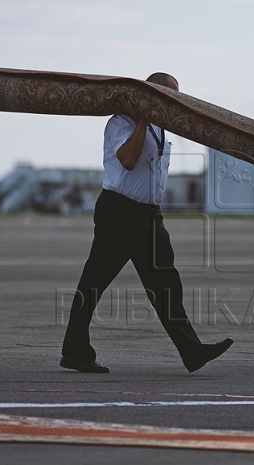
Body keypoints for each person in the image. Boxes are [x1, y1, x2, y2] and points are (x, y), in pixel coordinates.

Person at [60, 72, 233, 373]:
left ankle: (191, 351)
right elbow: (128, 160)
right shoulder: (121, 123)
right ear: (151, 96)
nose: (174, 102)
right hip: (118, 212)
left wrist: (157, 213)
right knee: (94, 283)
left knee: (166, 285)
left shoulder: (161, 129)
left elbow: (154, 173)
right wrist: (140, 118)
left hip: (147, 215)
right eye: (169, 96)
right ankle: (75, 352)